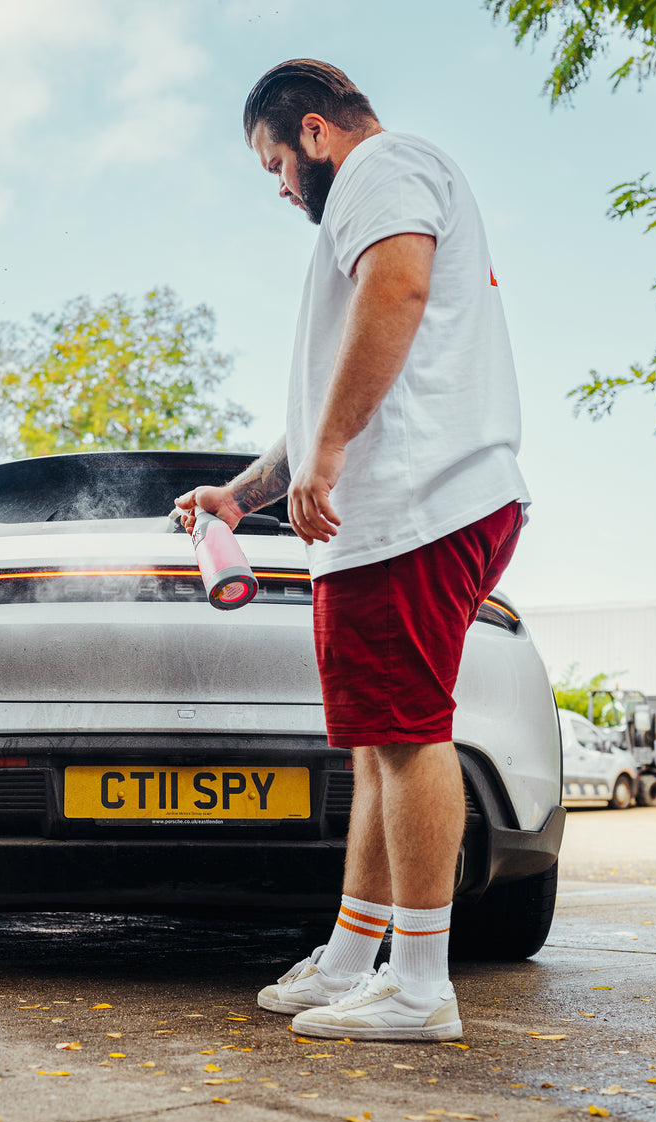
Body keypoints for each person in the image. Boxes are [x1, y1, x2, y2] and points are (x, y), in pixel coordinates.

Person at [174, 59, 529, 1042]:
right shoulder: (381, 188)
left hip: (415, 501)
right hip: (395, 511)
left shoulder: (381, 167)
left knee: (408, 737)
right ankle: (350, 961)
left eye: (276, 164)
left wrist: (328, 454)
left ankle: (419, 986)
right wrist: (243, 495)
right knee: (382, 742)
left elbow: (399, 288)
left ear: (316, 133)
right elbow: (340, 374)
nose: (282, 188)